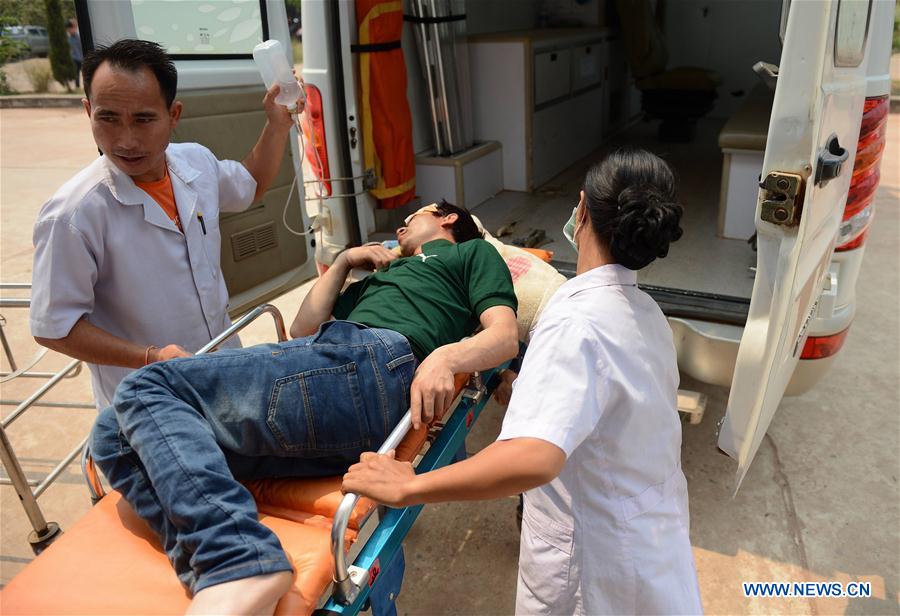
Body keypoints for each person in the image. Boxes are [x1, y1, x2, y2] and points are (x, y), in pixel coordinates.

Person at [89, 201, 519, 615]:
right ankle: (226, 581)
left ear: (448, 219)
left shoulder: (469, 253)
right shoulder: (380, 278)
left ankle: (234, 559)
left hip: (372, 362)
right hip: (331, 380)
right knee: (112, 435)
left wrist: (446, 357)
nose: (400, 228)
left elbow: (503, 336)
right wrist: (345, 262)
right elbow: (302, 328)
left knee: (147, 386)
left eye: (414, 217)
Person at [344, 149, 704, 615]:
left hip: (596, 567)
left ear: (581, 210)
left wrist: (410, 485)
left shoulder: (574, 321)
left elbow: (533, 457)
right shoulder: (647, 313)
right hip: (652, 537)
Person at [30, 39, 302, 409]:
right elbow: (54, 327)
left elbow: (249, 185)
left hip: (226, 371)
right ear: (87, 110)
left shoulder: (196, 164)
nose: (126, 140)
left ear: (174, 115)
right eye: (107, 118)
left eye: (144, 119)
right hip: (152, 400)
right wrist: (150, 357)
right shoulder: (73, 215)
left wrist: (276, 125)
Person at [66, 19, 82, 88]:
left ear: (73, 28)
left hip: (82, 58)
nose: (68, 30)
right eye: (68, 29)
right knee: (76, 73)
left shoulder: (79, 37)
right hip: (75, 58)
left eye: (69, 29)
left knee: (85, 74)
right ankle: (77, 86)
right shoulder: (69, 38)